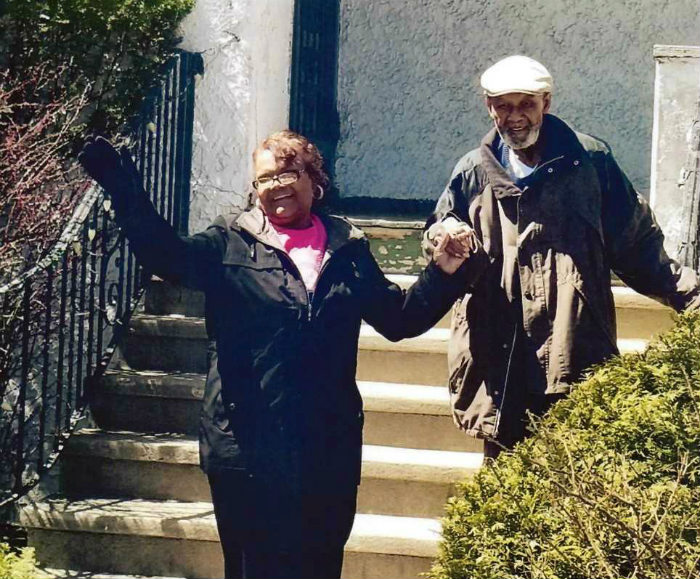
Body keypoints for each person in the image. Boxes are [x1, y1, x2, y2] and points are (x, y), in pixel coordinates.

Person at [78, 130, 474, 579]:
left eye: (288, 173)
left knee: (318, 567)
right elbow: (164, 254)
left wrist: (444, 272)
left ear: (314, 180)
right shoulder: (228, 242)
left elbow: (400, 319)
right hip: (247, 445)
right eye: (264, 179)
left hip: (327, 446)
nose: (276, 186)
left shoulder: (348, 247)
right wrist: (122, 186)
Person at [423, 55, 700, 459]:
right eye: (503, 106)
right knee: (506, 490)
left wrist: (690, 296)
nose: (514, 117)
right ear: (488, 107)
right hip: (499, 352)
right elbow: (439, 230)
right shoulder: (473, 171)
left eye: (526, 105)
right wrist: (443, 235)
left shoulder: (591, 162)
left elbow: (636, 244)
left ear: (546, 103)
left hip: (575, 346)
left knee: (574, 477)